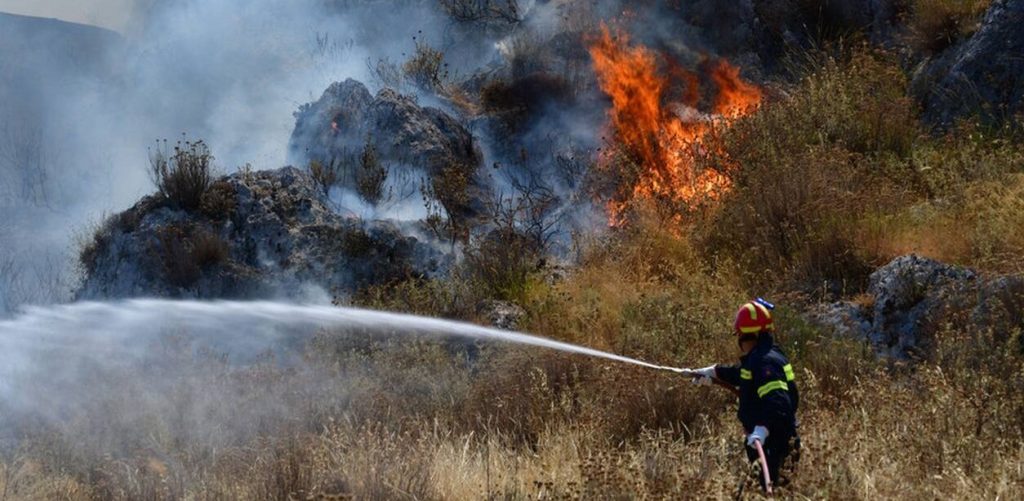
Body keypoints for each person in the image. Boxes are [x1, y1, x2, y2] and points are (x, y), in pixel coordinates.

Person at [685, 298, 799, 491]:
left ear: (752, 336)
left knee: (769, 491)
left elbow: (779, 402)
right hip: (768, 440)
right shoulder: (764, 355)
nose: (740, 342)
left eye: (741, 337)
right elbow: (744, 376)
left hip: (775, 442)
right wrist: (713, 372)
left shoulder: (765, 363)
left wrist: (763, 429)